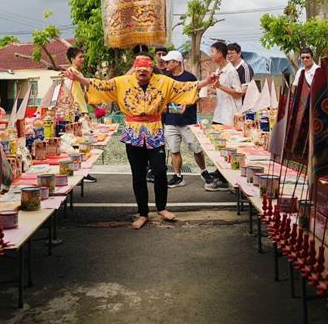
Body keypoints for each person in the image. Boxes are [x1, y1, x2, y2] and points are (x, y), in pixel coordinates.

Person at [64, 54, 216, 229]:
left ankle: (162, 208)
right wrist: (77, 78)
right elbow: (99, 85)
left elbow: (185, 87)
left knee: (160, 171)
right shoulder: (122, 82)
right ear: (134, 68)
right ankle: (142, 213)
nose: (142, 70)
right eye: (139, 68)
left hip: (155, 131)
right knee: (138, 175)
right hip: (133, 132)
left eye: (146, 68)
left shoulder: (163, 82)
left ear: (151, 69)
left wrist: (206, 81)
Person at [160, 50, 212, 188]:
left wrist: (187, 102)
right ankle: (178, 176)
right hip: (170, 121)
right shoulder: (166, 78)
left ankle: (204, 171)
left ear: (176, 62)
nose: (165, 64)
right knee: (174, 150)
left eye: (168, 61)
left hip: (188, 121)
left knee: (196, 148)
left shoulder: (190, 77)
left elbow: (198, 96)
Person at [205, 41, 242, 192]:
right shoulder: (219, 70)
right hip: (219, 113)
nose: (210, 54)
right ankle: (220, 173)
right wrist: (214, 90)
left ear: (220, 54)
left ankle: (224, 179)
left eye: (212, 51)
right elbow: (224, 90)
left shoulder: (231, 71)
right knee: (217, 146)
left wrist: (220, 87)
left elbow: (238, 93)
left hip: (228, 115)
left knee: (226, 146)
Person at [65, 46, 97, 183]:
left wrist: (94, 107)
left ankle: (84, 171)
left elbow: (84, 95)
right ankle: (82, 173)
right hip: (77, 112)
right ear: (73, 59)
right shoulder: (71, 72)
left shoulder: (78, 73)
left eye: (83, 57)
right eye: (80, 57)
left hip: (82, 111)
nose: (83, 59)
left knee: (84, 143)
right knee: (81, 143)